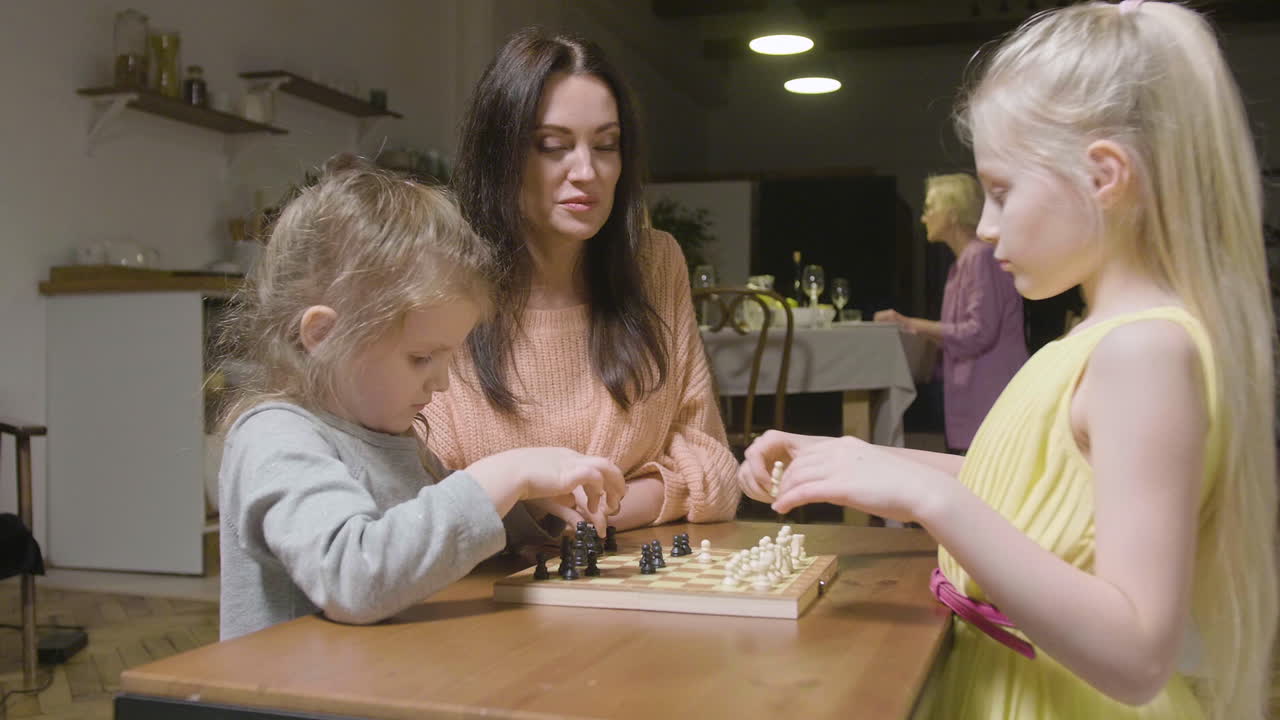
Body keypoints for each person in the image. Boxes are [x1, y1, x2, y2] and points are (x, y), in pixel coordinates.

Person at [740, 2, 1277, 718]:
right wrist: (852, 458)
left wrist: (932, 503)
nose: (987, 229)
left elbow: (1137, 656)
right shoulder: (1101, 334)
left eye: (1001, 192)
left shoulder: (1145, 350)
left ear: (1104, 176)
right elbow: (1030, 487)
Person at [215, 157, 624, 640]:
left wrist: (530, 508)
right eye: (421, 358)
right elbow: (354, 578)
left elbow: (435, 533)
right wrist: (501, 476)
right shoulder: (275, 438)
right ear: (324, 335)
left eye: (448, 358)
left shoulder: (389, 433)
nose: (442, 383)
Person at [419, 28, 740, 534]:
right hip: (475, 589)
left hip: (627, 576)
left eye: (607, 146)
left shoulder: (655, 263)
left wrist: (592, 518)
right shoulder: (438, 281)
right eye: (552, 146)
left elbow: (713, 469)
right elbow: (417, 489)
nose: (586, 171)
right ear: (498, 156)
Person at [875, 173, 1027, 451]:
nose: (924, 218)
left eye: (930, 208)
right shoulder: (964, 262)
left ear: (952, 213)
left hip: (991, 393)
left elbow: (976, 333)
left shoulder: (980, 258)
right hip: (974, 393)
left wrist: (909, 323)